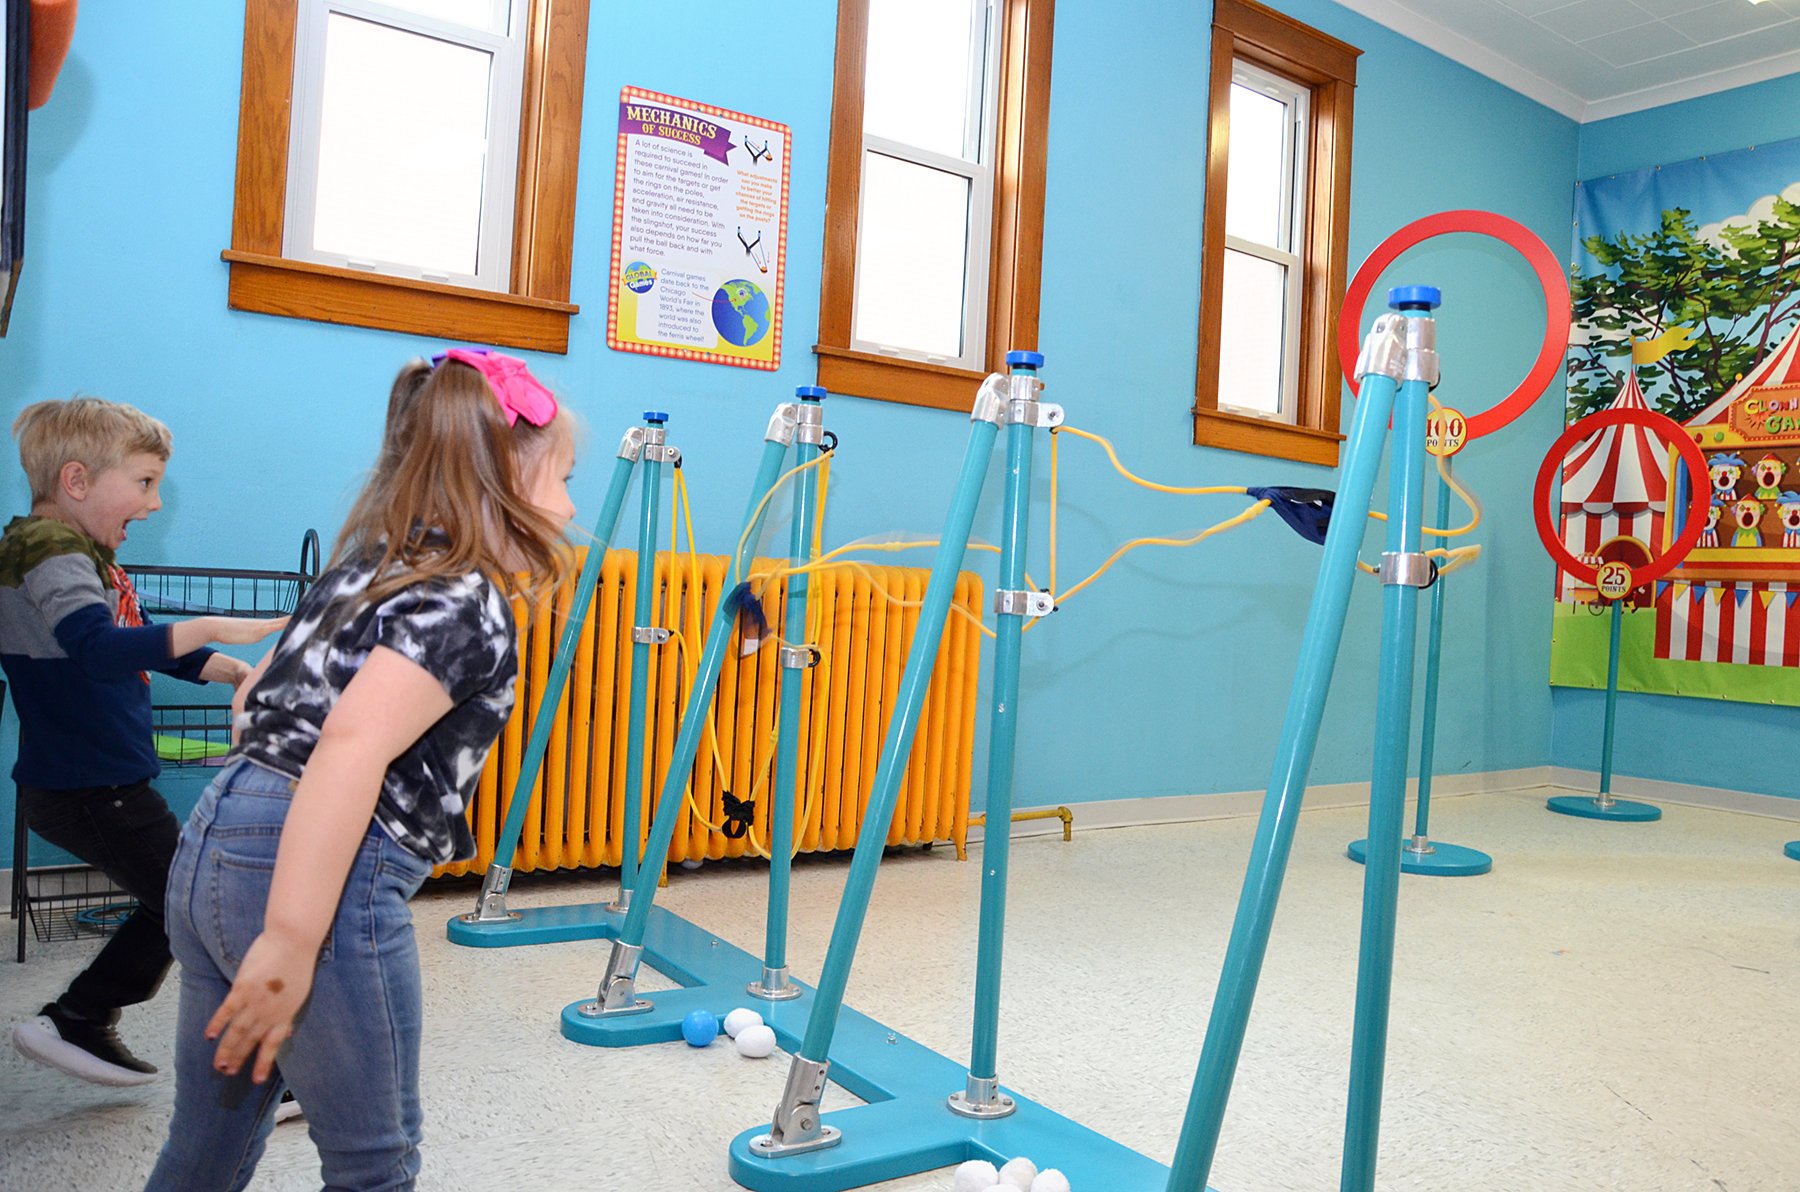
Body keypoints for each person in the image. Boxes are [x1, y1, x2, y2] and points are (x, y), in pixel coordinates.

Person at [145, 349, 576, 1191]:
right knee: (374, 1161)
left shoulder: (366, 567)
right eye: (562, 475)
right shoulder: (467, 600)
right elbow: (348, 748)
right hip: (321, 879)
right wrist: (290, 940)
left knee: (206, 1145)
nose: (568, 503)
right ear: (503, 482)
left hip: (214, 841)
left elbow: (258, 699)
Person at [2, 397, 288, 1087]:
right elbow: (98, 649)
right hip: (90, 789)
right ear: (77, 481)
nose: (155, 504)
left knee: (179, 901)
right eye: (144, 483)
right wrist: (214, 626)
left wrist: (211, 666)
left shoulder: (77, 555)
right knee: (193, 902)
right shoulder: (50, 556)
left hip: (93, 785)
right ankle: (260, 1073)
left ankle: (82, 1017)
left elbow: (129, 628)